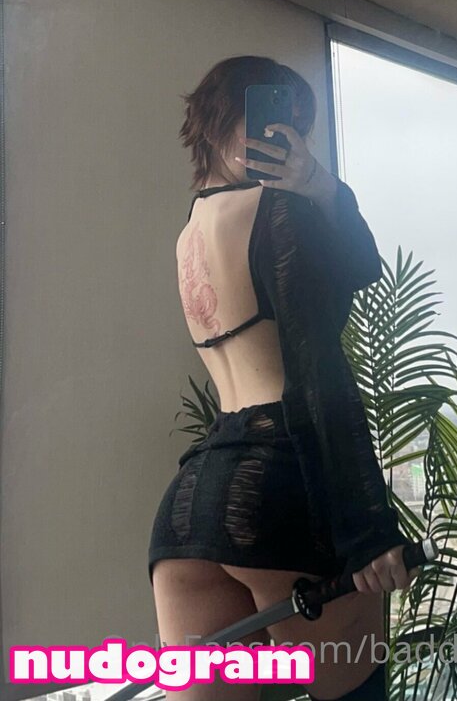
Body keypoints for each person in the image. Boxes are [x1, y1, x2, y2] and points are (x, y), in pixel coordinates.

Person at [147, 55, 418, 701]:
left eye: (298, 126)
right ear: (219, 117)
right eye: (271, 118)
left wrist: (317, 185)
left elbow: (353, 270)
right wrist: (370, 530)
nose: (286, 136)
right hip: (278, 492)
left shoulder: (188, 234)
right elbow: (319, 374)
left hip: (188, 512)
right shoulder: (278, 213)